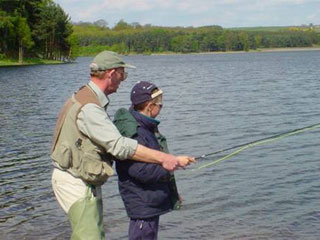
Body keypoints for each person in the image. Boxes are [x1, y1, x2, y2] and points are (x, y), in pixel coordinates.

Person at [50, 51, 195, 240]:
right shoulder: (90, 107)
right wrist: (165, 159)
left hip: (77, 178)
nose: (123, 80)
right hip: (75, 181)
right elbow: (119, 146)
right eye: (122, 74)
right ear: (111, 74)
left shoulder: (84, 96)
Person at [113, 81, 187, 240]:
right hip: (142, 205)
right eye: (160, 105)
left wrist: (171, 193)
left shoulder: (146, 127)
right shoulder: (137, 132)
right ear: (149, 106)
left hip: (149, 201)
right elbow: (140, 170)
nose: (161, 108)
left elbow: (153, 163)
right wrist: (173, 164)